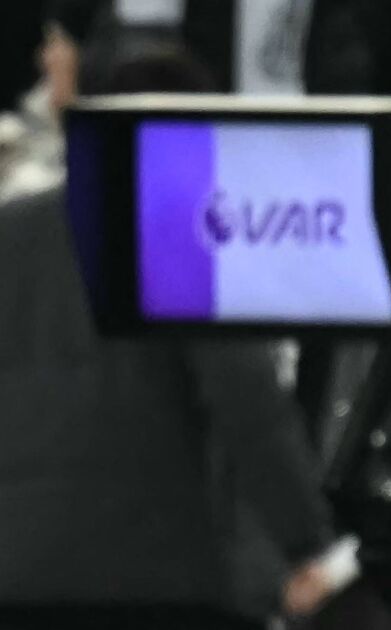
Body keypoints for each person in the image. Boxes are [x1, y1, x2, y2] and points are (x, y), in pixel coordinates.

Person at [0, 4, 344, 628]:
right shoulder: (182, 242)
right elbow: (249, 410)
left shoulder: (9, 232)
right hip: (153, 573)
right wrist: (311, 547)